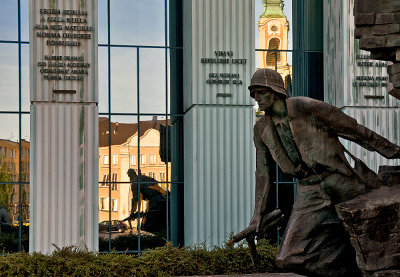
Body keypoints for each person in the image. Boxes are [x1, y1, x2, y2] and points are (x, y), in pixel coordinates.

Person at [249, 68, 400, 277]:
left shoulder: (305, 107)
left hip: (341, 180)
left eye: (260, 91)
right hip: (309, 191)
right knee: (287, 258)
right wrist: (257, 214)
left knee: (377, 235)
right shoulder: (261, 129)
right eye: (253, 93)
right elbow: (263, 173)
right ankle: (352, 270)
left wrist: (393, 151)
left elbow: (354, 130)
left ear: (274, 91)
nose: (256, 98)